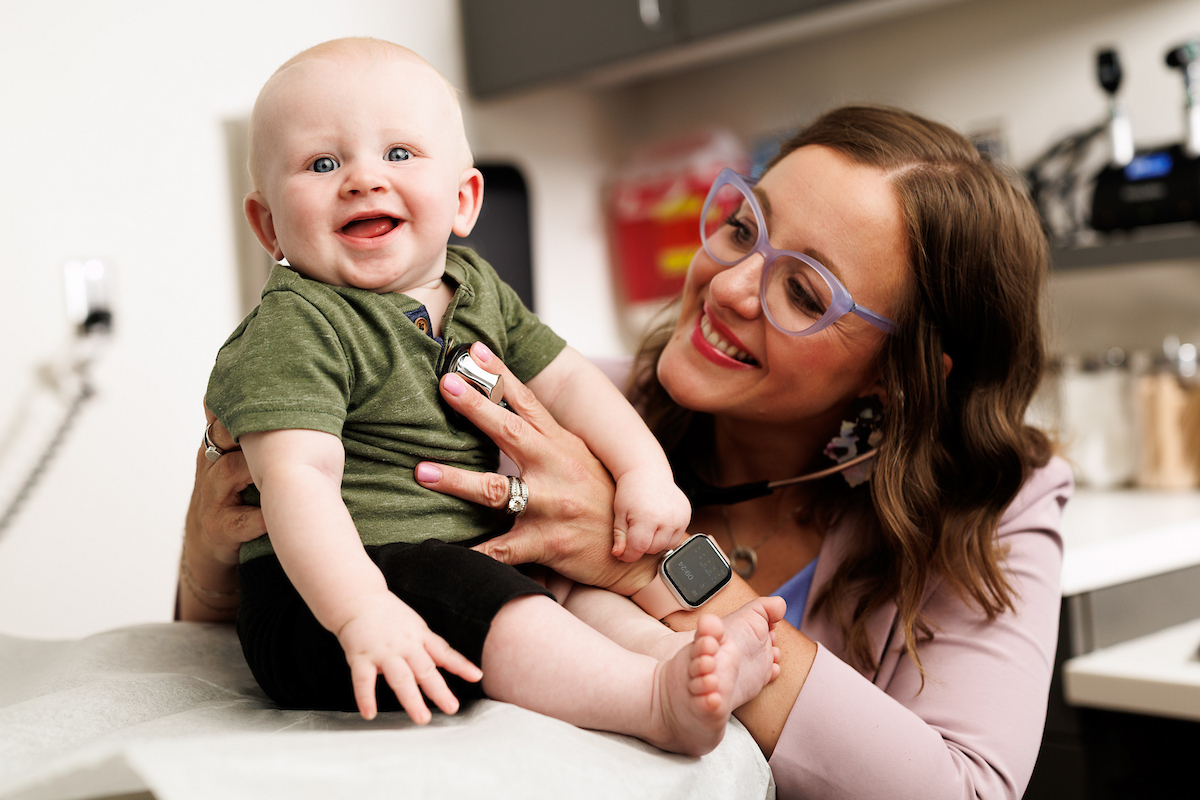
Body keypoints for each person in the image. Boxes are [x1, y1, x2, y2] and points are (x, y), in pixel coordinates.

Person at [185, 102, 1071, 799]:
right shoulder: (536, 411)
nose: (726, 285)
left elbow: (962, 789)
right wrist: (205, 556)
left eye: (803, 290)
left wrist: (657, 564)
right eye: (741, 226)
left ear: (905, 374)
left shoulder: (998, 501)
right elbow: (272, 668)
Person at [198, 36, 785, 757]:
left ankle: (682, 670)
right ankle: (648, 704)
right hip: (324, 603)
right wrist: (362, 612)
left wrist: (644, 472)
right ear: (267, 226)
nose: (362, 180)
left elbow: (569, 380)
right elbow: (298, 481)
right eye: (323, 163)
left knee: (573, 592)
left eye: (400, 154)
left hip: (465, 562)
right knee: (478, 594)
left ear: (463, 199)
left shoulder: (477, 291)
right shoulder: (298, 324)